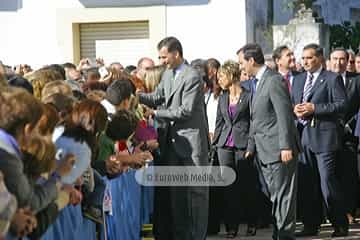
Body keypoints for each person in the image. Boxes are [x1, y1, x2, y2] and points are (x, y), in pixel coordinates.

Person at [139, 36, 209, 240]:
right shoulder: (168, 74)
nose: (161, 61)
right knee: (177, 194)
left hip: (191, 145)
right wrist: (137, 95)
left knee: (196, 194)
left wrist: (155, 114)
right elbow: (157, 97)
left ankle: (197, 235)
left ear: (176, 54)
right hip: (173, 144)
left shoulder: (192, 76)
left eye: (164, 57)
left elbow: (185, 111)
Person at [239, 43, 301, 240]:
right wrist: (251, 146)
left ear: (251, 61)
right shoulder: (257, 82)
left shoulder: (273, 80)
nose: (241, 67)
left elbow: (284, 116)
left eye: (242, 63)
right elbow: (257, 119)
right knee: (275, 196)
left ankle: (284, 235)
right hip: (264, 150)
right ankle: (279, 232)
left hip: (279, 149)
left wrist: (286, 146)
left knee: (284, 196)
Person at [292, 43, 348, 237]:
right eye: (303, 58)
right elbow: (294, 101)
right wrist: (296, 109)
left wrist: (315, 108)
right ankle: (311, 223)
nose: (305, 61)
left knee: (327, 182)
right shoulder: (298, 79)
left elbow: (341, 105)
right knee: (307, 183)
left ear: (319, 59)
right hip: (303, 136)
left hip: (325, 137)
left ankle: (339, 223)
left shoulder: (332, 79)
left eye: (309, 58)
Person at [212, 60, 258, 238]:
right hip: (224, 146)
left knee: (246, 186)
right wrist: (215, 144)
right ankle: (232, 227)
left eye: (221, 76)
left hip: (243, 145)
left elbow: (254, 122)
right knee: (229, 187)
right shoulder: (222, 97)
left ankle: (252, 222)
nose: (219, 80)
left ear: (231, 75)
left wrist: (251, 146)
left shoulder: (249, 96)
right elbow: (219, 122)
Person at [329, 47, 360, 224]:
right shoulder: (324, 79)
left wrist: (350, 125)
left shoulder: (356, 81)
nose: (338, 63)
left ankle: (348, 211)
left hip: (349, 135)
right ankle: (332, 211)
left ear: (347, 61)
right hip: (328, 133)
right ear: (329, 60)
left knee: (348, 175)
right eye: (335, 59)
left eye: (342, 59)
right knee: (330, 175)